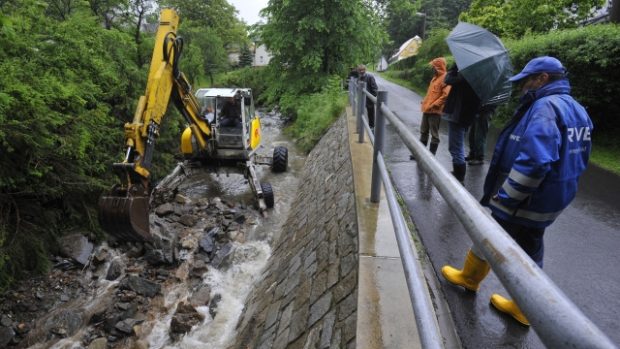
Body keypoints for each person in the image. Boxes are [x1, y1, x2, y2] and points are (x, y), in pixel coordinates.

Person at [441, 56, 593, 326]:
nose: (522, 87)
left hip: (526, 199)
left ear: (542, 79)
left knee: (488, 233)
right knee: (531, 245)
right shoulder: (577, 109)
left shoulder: (545, 108)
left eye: (526, 81)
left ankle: (470, 278)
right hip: (552, 198)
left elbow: (535, 161)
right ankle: (525, 307)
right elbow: (579, 159)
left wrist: (509, 196)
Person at [442, 64, 482, 182]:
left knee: (456, 147)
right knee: (457, 146)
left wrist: (454, 68)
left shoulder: (467, 74)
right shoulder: (480, 76)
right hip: (466, 115)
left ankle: (459, 177)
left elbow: (447, 79)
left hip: (458, 115)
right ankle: (458, 174)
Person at [411, 57, 451, 159]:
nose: (432, 68)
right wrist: (425, 101)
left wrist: (435, 104)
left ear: (438, 67)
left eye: (433, 66)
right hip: (427, 109)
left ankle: (431, 157)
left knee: (434, 134)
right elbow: (430, 93)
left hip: (435, 111)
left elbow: (446, 95)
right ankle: (420, 154)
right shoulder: (435, 78)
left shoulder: (445, 78)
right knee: (423, 131)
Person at [358, 64, 378, 129]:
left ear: (365, 70)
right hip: (362, 99)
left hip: (369, 99)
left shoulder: (370, 77)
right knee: (361, 113)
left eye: (363, 70)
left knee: (371, 114)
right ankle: (361, 127)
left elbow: (375, 88)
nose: (361, 71)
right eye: (360, 70)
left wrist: (372, 98)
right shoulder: (360, 78)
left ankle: (372, 129)